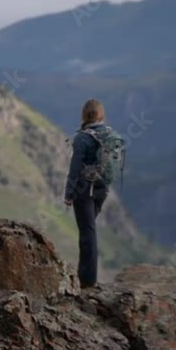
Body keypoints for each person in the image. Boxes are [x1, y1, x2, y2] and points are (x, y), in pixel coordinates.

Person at [64, 99, 111, 289]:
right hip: (102, 189)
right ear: (101, 114)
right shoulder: (108, 134)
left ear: (84, 115)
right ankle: (86, 275)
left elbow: (75, 169)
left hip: (85, 191)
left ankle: (87, 280)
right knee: (89, 230)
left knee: (87, 234)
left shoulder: (82, 138)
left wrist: (69, 193)